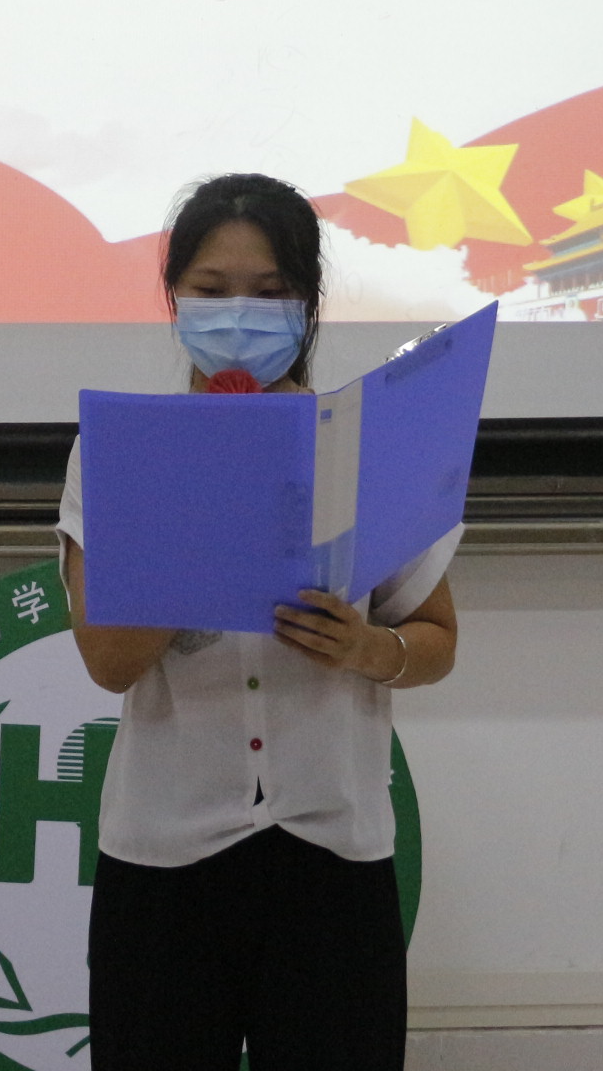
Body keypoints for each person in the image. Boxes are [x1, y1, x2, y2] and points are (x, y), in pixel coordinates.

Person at [59, 172, 461, 1071]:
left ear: (307, 305)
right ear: (175, 299)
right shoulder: (118, 453)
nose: (238, 314)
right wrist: (204, 519)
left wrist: (370, 647)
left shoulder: (367, 447)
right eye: (211, 290)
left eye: (269, 292)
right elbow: (109, 662)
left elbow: (436, 641)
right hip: (164, 853)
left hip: (332, 847)